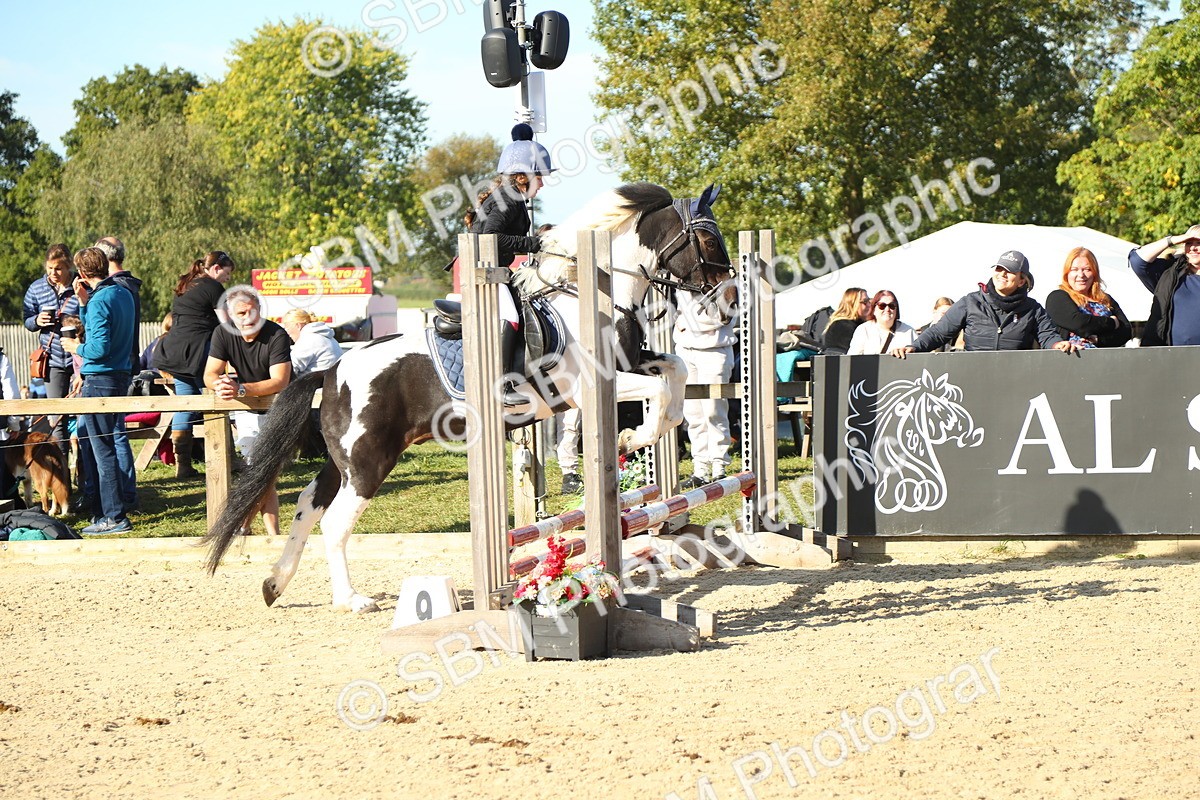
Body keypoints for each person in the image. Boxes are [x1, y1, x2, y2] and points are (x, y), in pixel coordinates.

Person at [464, 123, 554, 406]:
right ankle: (501, 385)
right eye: (540, 177)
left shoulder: (510, 195)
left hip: (494, 271)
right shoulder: (509, 198)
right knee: (511, 317)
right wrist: (532, 244)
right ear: (525, 176)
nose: (543, 183)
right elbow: (492, 236)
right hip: (484, 274)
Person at [203, 286, 292, 536]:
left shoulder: (277, 334)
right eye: (241, 313)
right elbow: (209, 373)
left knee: (264, 472)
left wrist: (240, 389)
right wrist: (219, 384)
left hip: (278, 408)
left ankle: (243, 525)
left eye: (253, 311)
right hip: (246, 409)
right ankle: (266, 534)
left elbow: (280, 381)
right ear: (231, 316)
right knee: (260, 471)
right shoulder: (222, 333)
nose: (248, 317)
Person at [62, 246, 136, 535]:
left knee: (102, 450)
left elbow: (97, 347)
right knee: (110, 445)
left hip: (99, 380)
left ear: (81, 274)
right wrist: (83, 303)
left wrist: (74, 347)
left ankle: (114, 516)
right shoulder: (123, 293)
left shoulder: (100, 300)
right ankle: (114, 508)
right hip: (120, 376)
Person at [893, 251, 1078, 356]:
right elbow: (939, 332)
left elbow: (1048, 336)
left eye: (1010, 271)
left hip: (1015, 382)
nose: (1002, 274)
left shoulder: (1034, 309)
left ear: (1022, 280)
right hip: (972, 378)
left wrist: (1057, 345)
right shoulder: (970, 302)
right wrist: (915, 347)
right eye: (999, 268)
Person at [155, 251, 236, 477]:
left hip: (175, 351)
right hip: (196, 353)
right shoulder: (213, 287)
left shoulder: (189, 283)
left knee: (186, 404)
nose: (228, 279)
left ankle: (183, 466)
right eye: (227, 273)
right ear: (217, 268)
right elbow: (226, 323)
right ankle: (229, 459)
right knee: (220, 398)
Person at [674, 287, 737, 489]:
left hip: (714, 351)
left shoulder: (725, 281)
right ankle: (700, 467)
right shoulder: (681, 282)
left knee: (714, 411)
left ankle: (719, 465)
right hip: (685, 350)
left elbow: (723, 318)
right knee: (693, 414)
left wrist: (687, 321)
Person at [21, 243, 79, 461]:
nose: (53, 273)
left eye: (58, 269)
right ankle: (62, 471)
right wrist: (36, 320)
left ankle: (85, 476)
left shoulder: (80, 286)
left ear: (69, 267)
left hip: (79, 358)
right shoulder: (36, 288)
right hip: (52, 359)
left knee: (84, 416)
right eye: (49, 268)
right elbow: (26, 319)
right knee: (57, 418)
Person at [94, 236, 140, 513]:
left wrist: (78, 347)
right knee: (115, 433)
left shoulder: (115, 289)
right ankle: (124, 497)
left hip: (111, 369)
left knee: (113, 436)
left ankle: (120, 502)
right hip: (123, 365)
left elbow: (100, 345)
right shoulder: (128, 287)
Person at [1045, 247, 1132, 349]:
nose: (1081, 275)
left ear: (1095, 273)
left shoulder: (1106, 299)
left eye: (1087, 269)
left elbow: (1126, 331)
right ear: (1067, 273)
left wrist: (1099, 339)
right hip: (1070, 359)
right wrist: (1112, 323)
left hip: (1105, 360)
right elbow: (1079, 324)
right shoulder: (1057, 297)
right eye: (1074, 270)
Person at [1129, 224, 1200, 346]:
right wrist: (1171, 240)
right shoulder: (1170, 274)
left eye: (1198, 243)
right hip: (1171, 356)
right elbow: (1137, 260)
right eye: (1188, 242)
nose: (1193, 248)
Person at [847, 290, 915, 355]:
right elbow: (853, 360)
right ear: (873, 309)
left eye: (892, 305)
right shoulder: (863, 330)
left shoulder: (909, 332)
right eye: (882, 306)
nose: (887, 309)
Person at [280, 309, 343, 377]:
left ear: (298, 325)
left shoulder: (307, 341)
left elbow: (288, 371)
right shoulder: (328, 338)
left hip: (312, 385)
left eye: (287, 327)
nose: (286, 331)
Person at [821, 288, 870, 355]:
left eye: (869, 301)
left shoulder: (854, 323)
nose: (869, 305)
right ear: (852, 304)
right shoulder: (842, 326)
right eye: (865, 301)